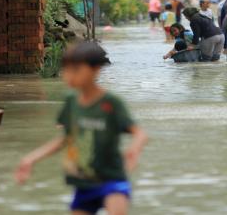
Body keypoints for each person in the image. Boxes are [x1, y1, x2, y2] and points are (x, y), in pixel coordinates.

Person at [15, 41, 148, 215]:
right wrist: (31, 159)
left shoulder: (111, 102)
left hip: (111, 179)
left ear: (96, 69)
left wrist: (133, 150)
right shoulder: (71, 101)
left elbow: (139, 134)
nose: (68, 76)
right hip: (83, 183)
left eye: (76, 70)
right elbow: (66, 138)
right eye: (66, 69)